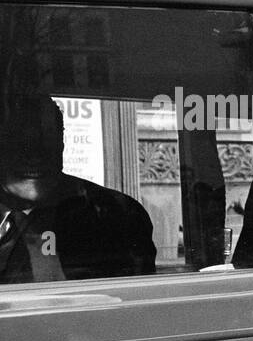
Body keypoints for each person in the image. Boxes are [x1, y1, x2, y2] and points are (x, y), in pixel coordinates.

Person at [0, 96, 155, 282]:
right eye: (20, 143)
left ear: (62, 143)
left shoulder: (118, 214)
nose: (34, 156)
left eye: (46, 140)